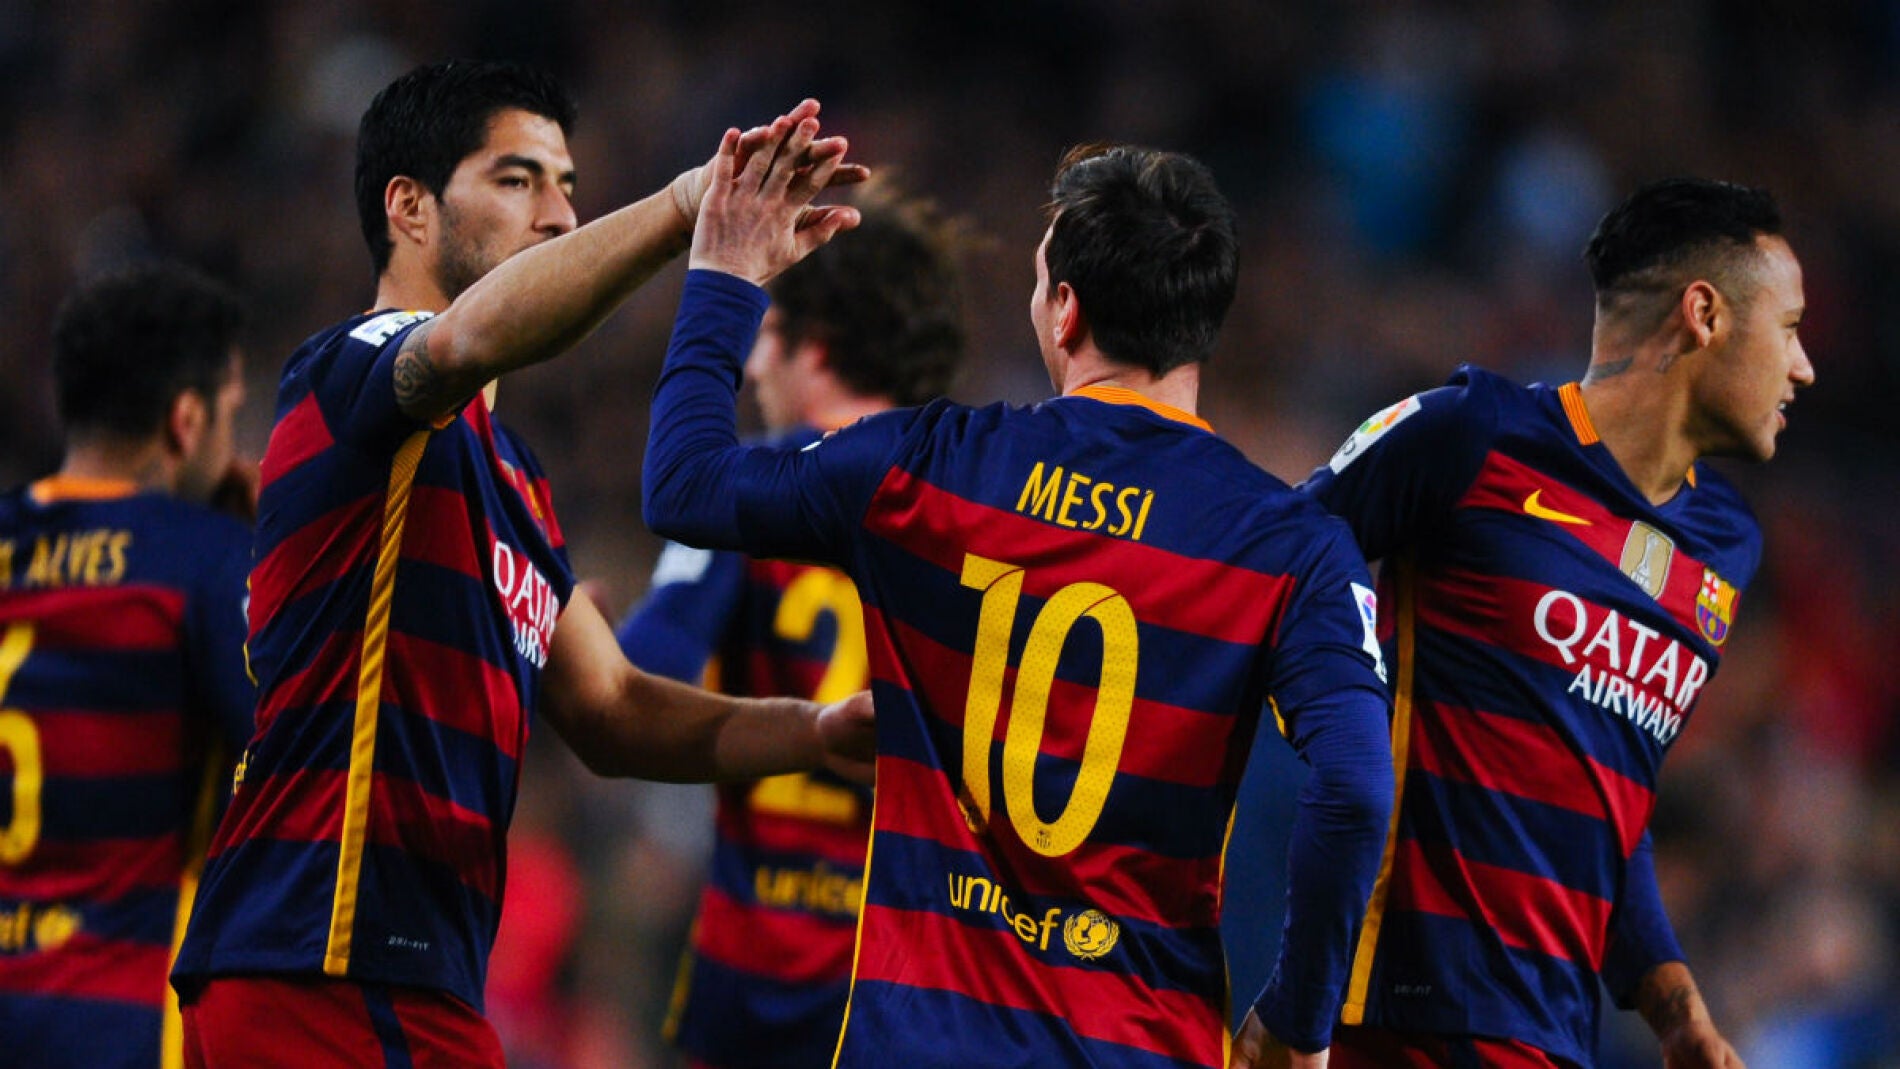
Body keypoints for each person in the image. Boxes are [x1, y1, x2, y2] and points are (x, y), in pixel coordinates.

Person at [169, 60, 871, 1067]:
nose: (558, 214)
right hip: (318, 960)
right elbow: (463, 342)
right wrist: (684, 211)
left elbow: (613, 707)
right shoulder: (356, 364)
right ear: (409, 208)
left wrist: (813, 729)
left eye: (570, 185)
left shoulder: (514, 480)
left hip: (410, 982)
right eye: (517, 180)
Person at [645, 127, 1396, 1069]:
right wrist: (1296, 1020)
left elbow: (684, 484)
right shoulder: (1292, 547)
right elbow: (1357, 791)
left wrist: (724, 270)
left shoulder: (924, 467)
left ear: (1066, 312)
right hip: (1140, 1044)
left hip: (916, 1040)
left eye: (1040, 282)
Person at [1299, 177, 1811, 1069]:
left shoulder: (1725, 549)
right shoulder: (1471, 435)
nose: (1803, 366)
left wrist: (1675, 1006)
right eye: (1791, 327)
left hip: (1555, 1033)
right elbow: (1268, 567)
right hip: (1404, 1015)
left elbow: (1608, 799)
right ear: (1705, 313)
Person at [617, 183, 968, 1069]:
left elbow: (644, 662)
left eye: (764, 335)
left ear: (809, 346)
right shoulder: (978, 505)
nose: (752, 364)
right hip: (922, 985)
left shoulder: (758, 486)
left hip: (761, 977)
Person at [0, 263, 255, 1068]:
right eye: (232, 411)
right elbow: (293, 756)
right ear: (186, 420)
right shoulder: (204, 565)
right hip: (118, 1022)